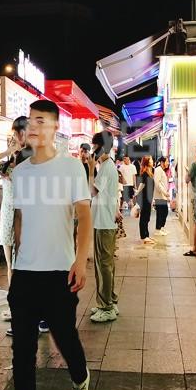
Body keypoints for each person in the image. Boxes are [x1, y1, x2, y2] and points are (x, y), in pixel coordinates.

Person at [0, 100, 92, 390]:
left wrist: (80, 261)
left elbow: (83, 216)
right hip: (26, 273)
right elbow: (22, 219)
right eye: (31, 122)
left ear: (55, 128)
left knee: (65, 337)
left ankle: (80, 380)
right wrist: (17, 258)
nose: (34, 127)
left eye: (41, 121)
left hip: (59, 270)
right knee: (22, 352)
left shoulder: (71, 168)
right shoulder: (21, 172)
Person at [0, 116, 38, 332]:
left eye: (15, 135)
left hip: (25, 218)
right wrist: (7, 152)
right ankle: (17, 310)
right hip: (7, 217)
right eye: (11, 137)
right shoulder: (6, 167)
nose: (13, 139)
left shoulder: (32, 162)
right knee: (11, 267)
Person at [88, 131, 121, 323]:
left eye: (94, 146)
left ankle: (106, 307)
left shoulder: (106, 168)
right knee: (105, 265)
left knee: (104, 266)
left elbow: (92, 191)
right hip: (104, 221)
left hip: (103, 223)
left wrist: (91, 170)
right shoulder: (108, 166)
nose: (92, 150)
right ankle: (109, 300)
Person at [133, 156, 156, 245]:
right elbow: (142, 185)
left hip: (148, 198)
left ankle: (146, 235)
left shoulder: (150, 173)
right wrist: (137, 192)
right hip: (144, 198)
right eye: (151, 160)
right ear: (147, 162)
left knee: (147, 217)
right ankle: (143, 236)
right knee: (144, 217)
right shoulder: (145, 173)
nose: (152, 161)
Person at [154, 156, 170, 236]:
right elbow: (157, 183)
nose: (168, 163)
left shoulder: (162, 170)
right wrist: (164, 192)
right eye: (167, 161)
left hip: (163, 195)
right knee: (160, 213)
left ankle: (161, 228)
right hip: (159, 195)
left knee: (165, 212)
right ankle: (158, 229)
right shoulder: (158, 170)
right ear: (162, 162)